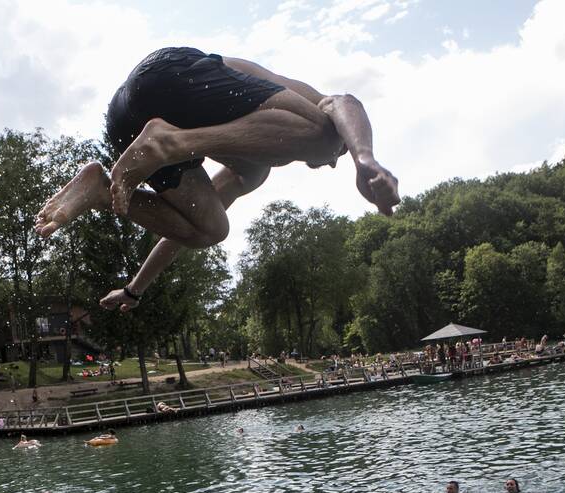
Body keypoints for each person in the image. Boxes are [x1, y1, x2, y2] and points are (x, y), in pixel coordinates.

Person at [36, 47, 399, 310]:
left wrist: (135, 289)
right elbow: (343, 102)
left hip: (127, 121)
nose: (331, 165)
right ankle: (172, 143)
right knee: (324, 136)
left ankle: (99, 189)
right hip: (172, 75)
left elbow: (179, 232)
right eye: (338, 160)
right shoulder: (295, 102)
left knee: (209, 229)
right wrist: (362, 156)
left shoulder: (252, 167)